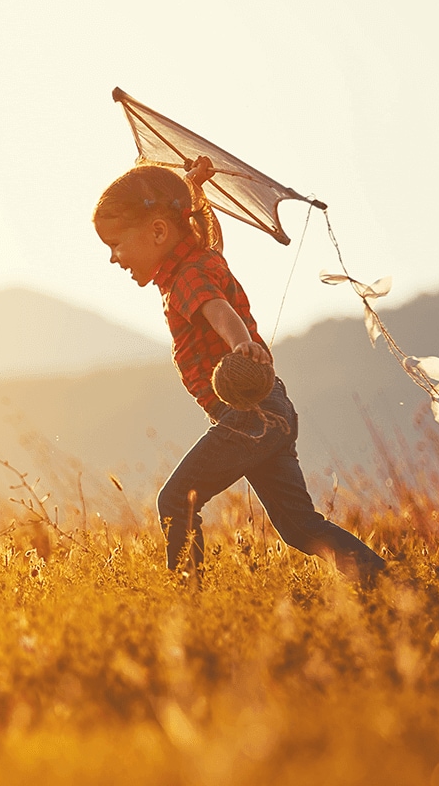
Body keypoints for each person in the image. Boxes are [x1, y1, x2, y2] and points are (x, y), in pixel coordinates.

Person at [92, 156, 386, 584]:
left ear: (158, 231)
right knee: (300, 525)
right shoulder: (199, 260)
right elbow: (205, 241)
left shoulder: (189, 278)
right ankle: (390, 584)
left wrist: (240, 343)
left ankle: (186, 596)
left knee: (176, 501)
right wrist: (192, 190)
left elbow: (217, 309)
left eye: (116, 243)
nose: (114, 258)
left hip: (252, 417)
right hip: (272, 413)